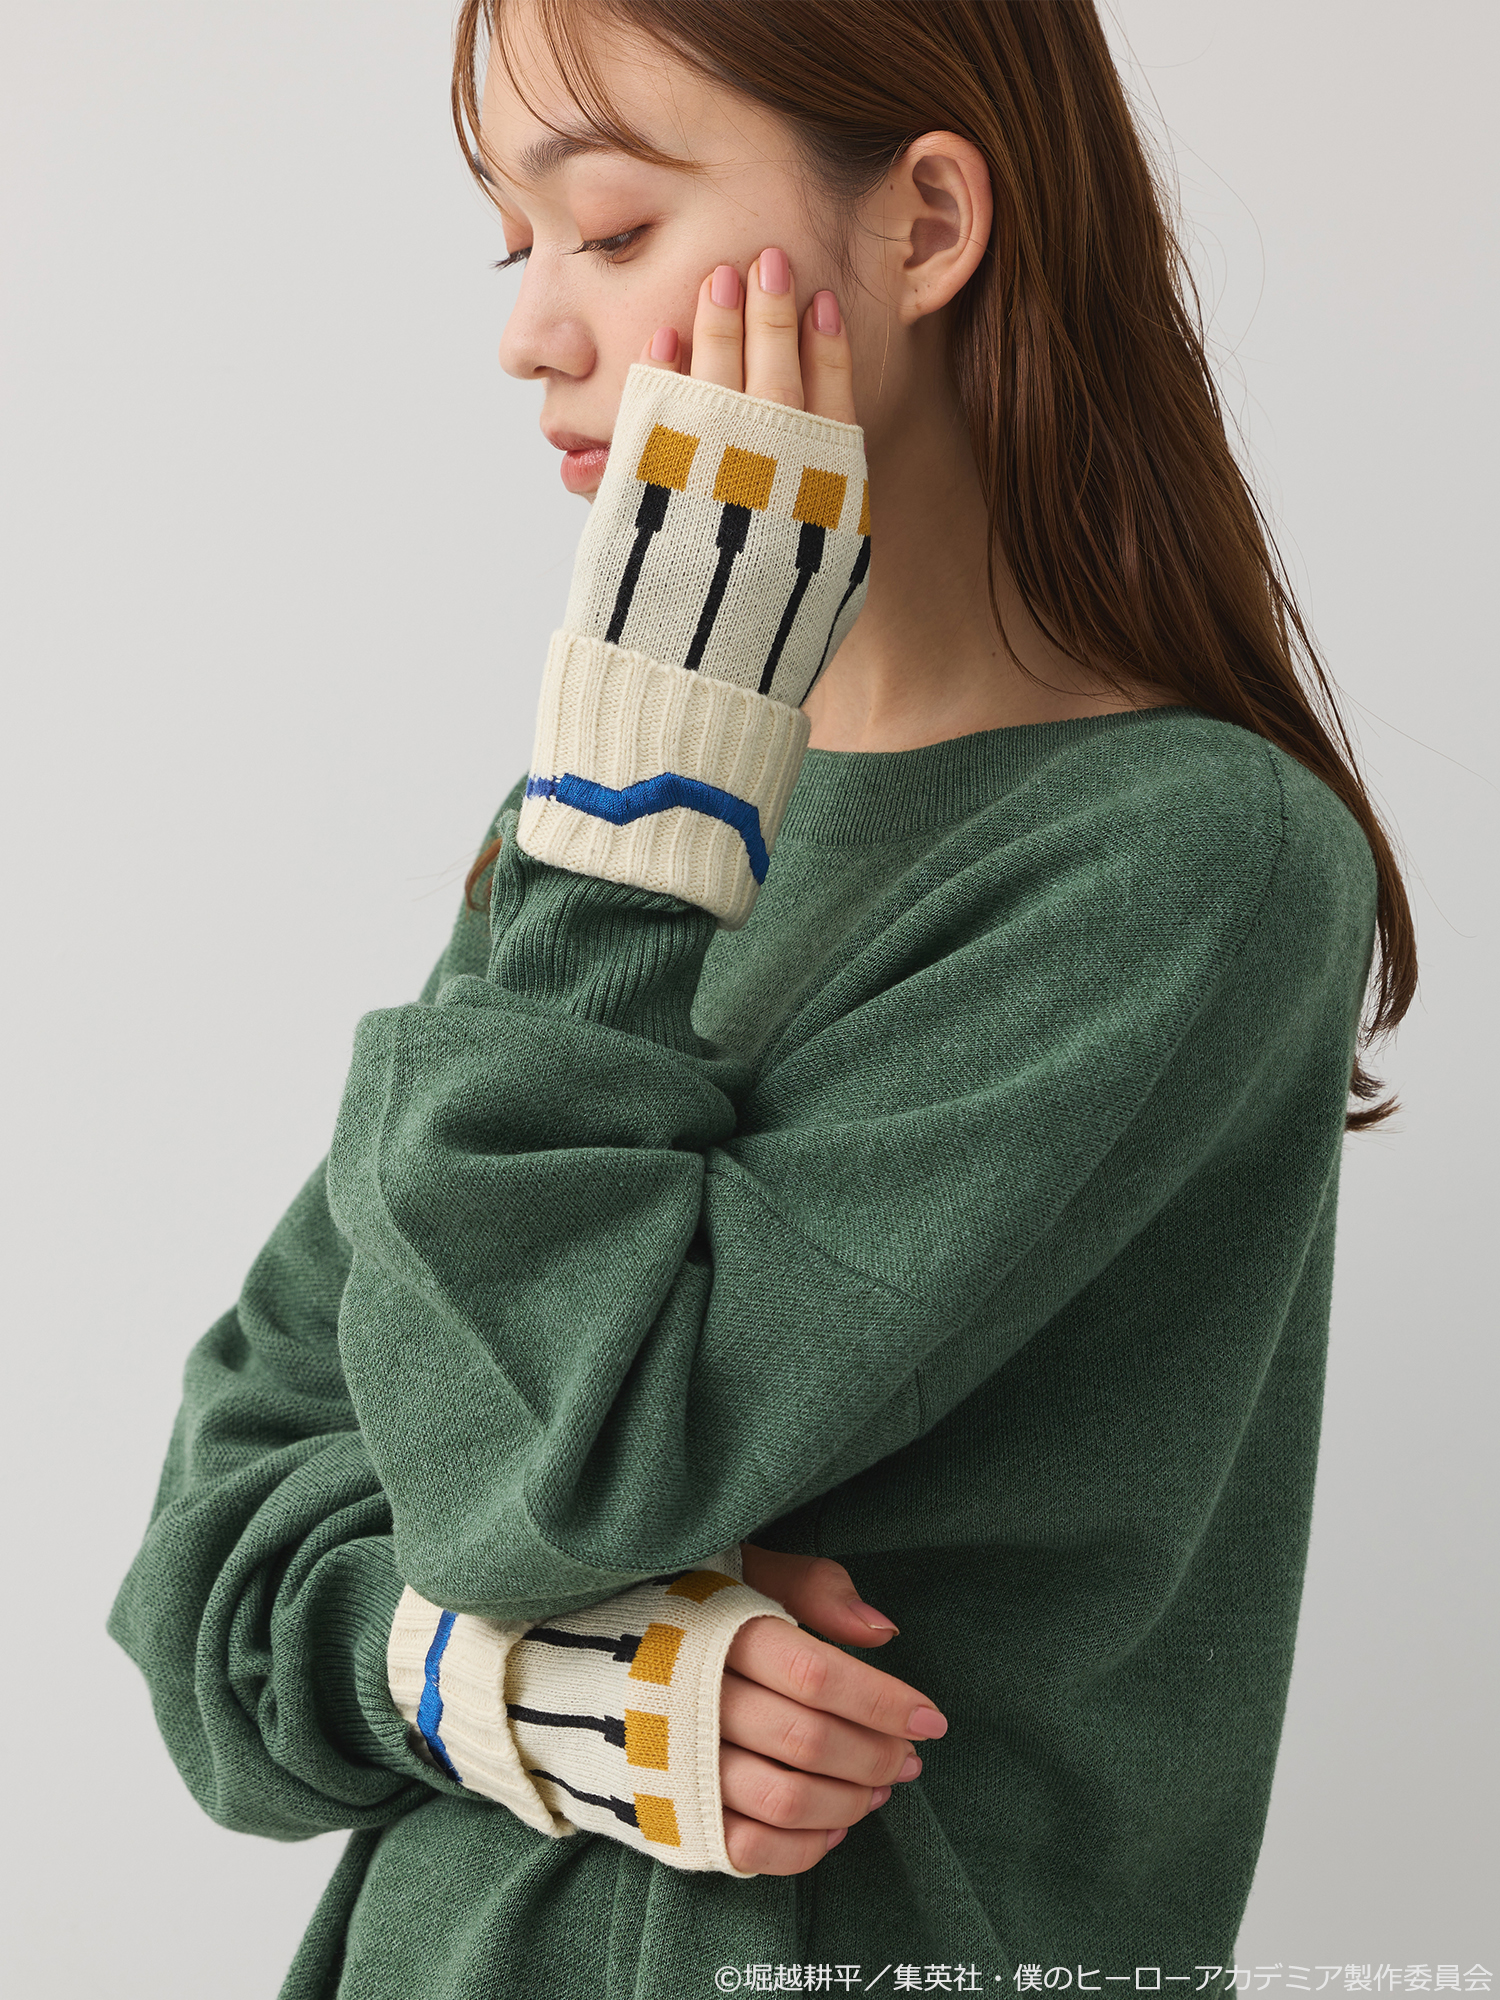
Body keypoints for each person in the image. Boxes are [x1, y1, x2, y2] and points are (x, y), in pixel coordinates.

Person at [108, 2, 1418, 1994]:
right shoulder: (610, 834)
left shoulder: (1181, 861)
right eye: (512, 245)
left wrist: (634, 809)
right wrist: (482, 1686)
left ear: (927, 225)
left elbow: (539, 1477)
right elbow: (208, 1545)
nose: (529, 332)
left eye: (612, 229)